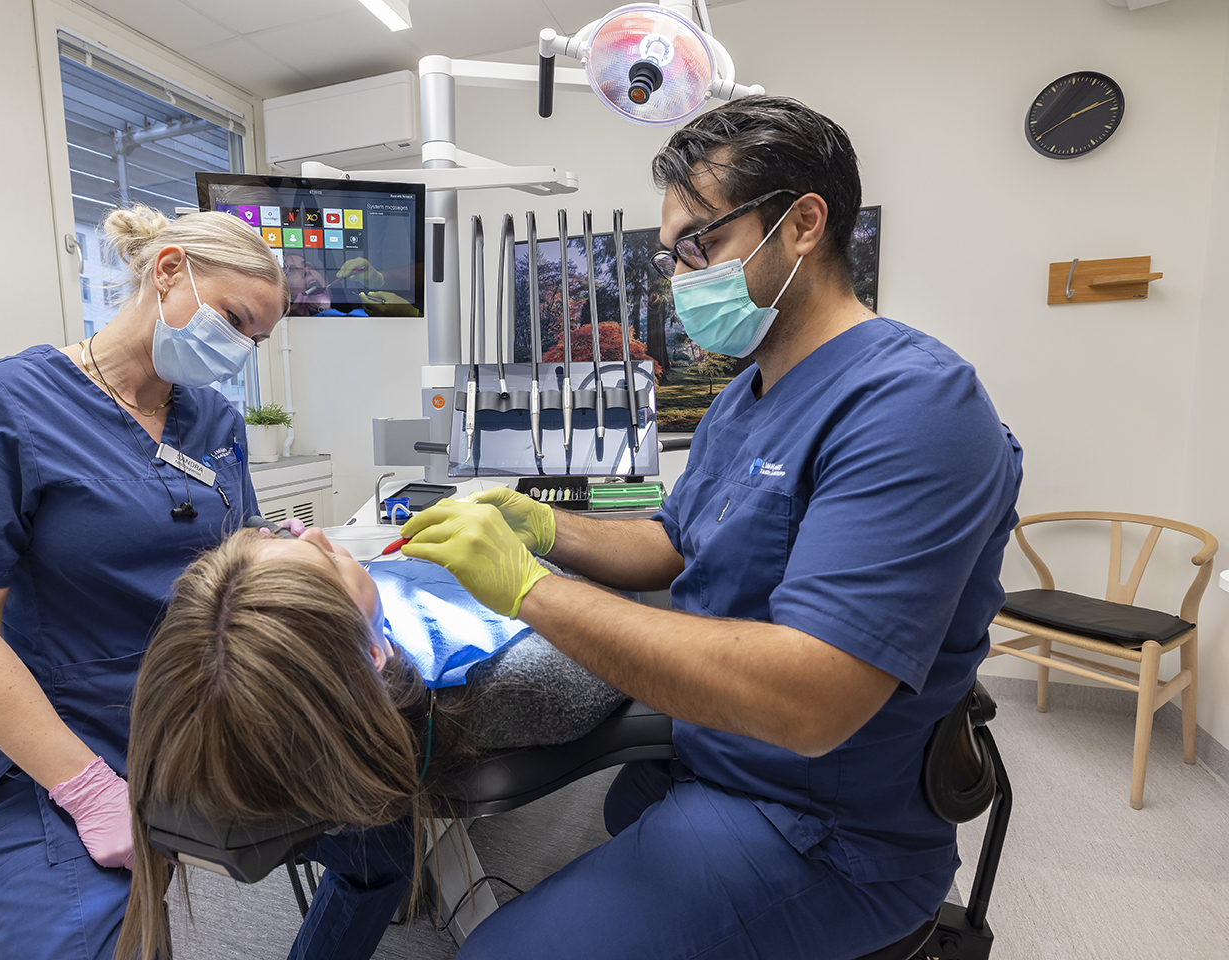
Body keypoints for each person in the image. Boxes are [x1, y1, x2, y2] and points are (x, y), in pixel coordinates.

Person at [399, 96, 1024, 960]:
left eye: (702, 243)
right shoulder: (746, 394)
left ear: (803, 223)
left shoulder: (913, 406)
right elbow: (676, 538)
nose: (681, 274)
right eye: (672, 255)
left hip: (822, 828)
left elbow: (811, 701)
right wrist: (545, 526)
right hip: (709, 763)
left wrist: (529, 587)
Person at [0, 204, 288, 960]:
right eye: (233, 319)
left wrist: (289, 555)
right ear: (167, 270)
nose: (238, 349)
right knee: (82, 938)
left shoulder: (214, 421)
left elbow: (236, 559)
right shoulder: (0, 405)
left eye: (254, 338)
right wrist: (89, 790)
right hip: (58, 753)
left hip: (183, 733)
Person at [116, 525, 626, 960]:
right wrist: (537, 567)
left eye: (272, 535)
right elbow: (621, 645)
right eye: (327, 561)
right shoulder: (524, 680)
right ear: (377, 652)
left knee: (378, 859)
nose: (317, 532)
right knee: (379, 856)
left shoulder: (239, 678)